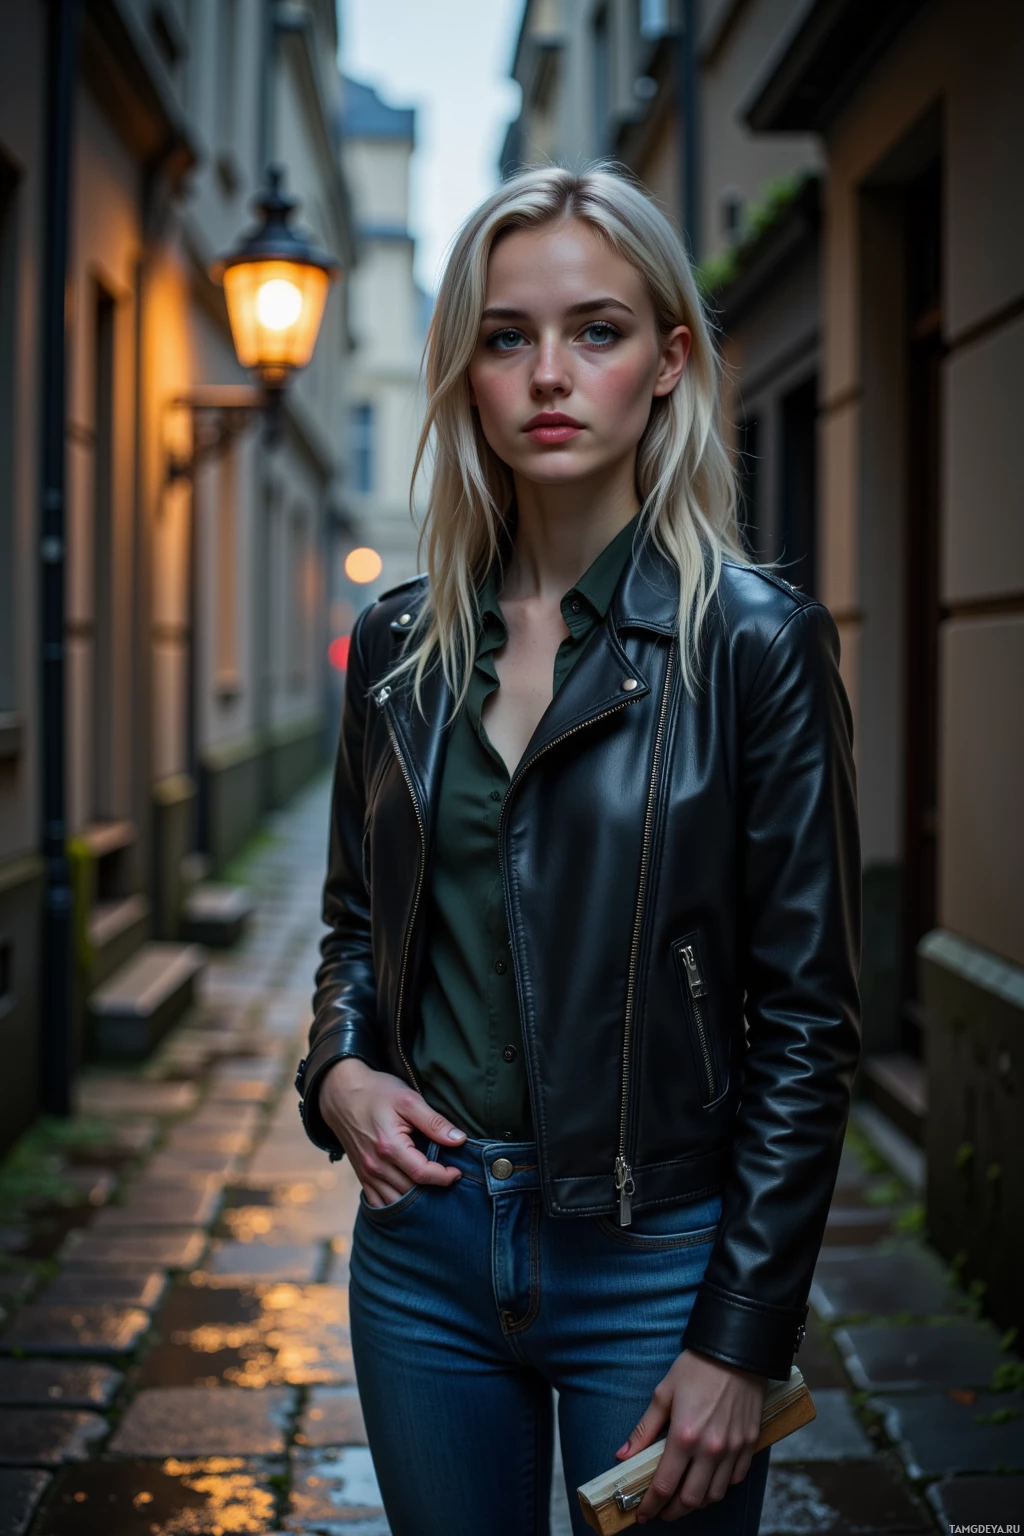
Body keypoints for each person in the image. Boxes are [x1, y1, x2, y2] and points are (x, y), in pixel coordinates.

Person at [295, 162, 861, 1535]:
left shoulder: (753, 647)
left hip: (655, 1259)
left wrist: (742, 1329)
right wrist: (337, 1076)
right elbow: (356, 929)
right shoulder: (399, 645)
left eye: (596, 332)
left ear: (668, 363)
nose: (551, 372)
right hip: (422, 1251)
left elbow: (806, 1023)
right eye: (507, 337)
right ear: (468, 373)